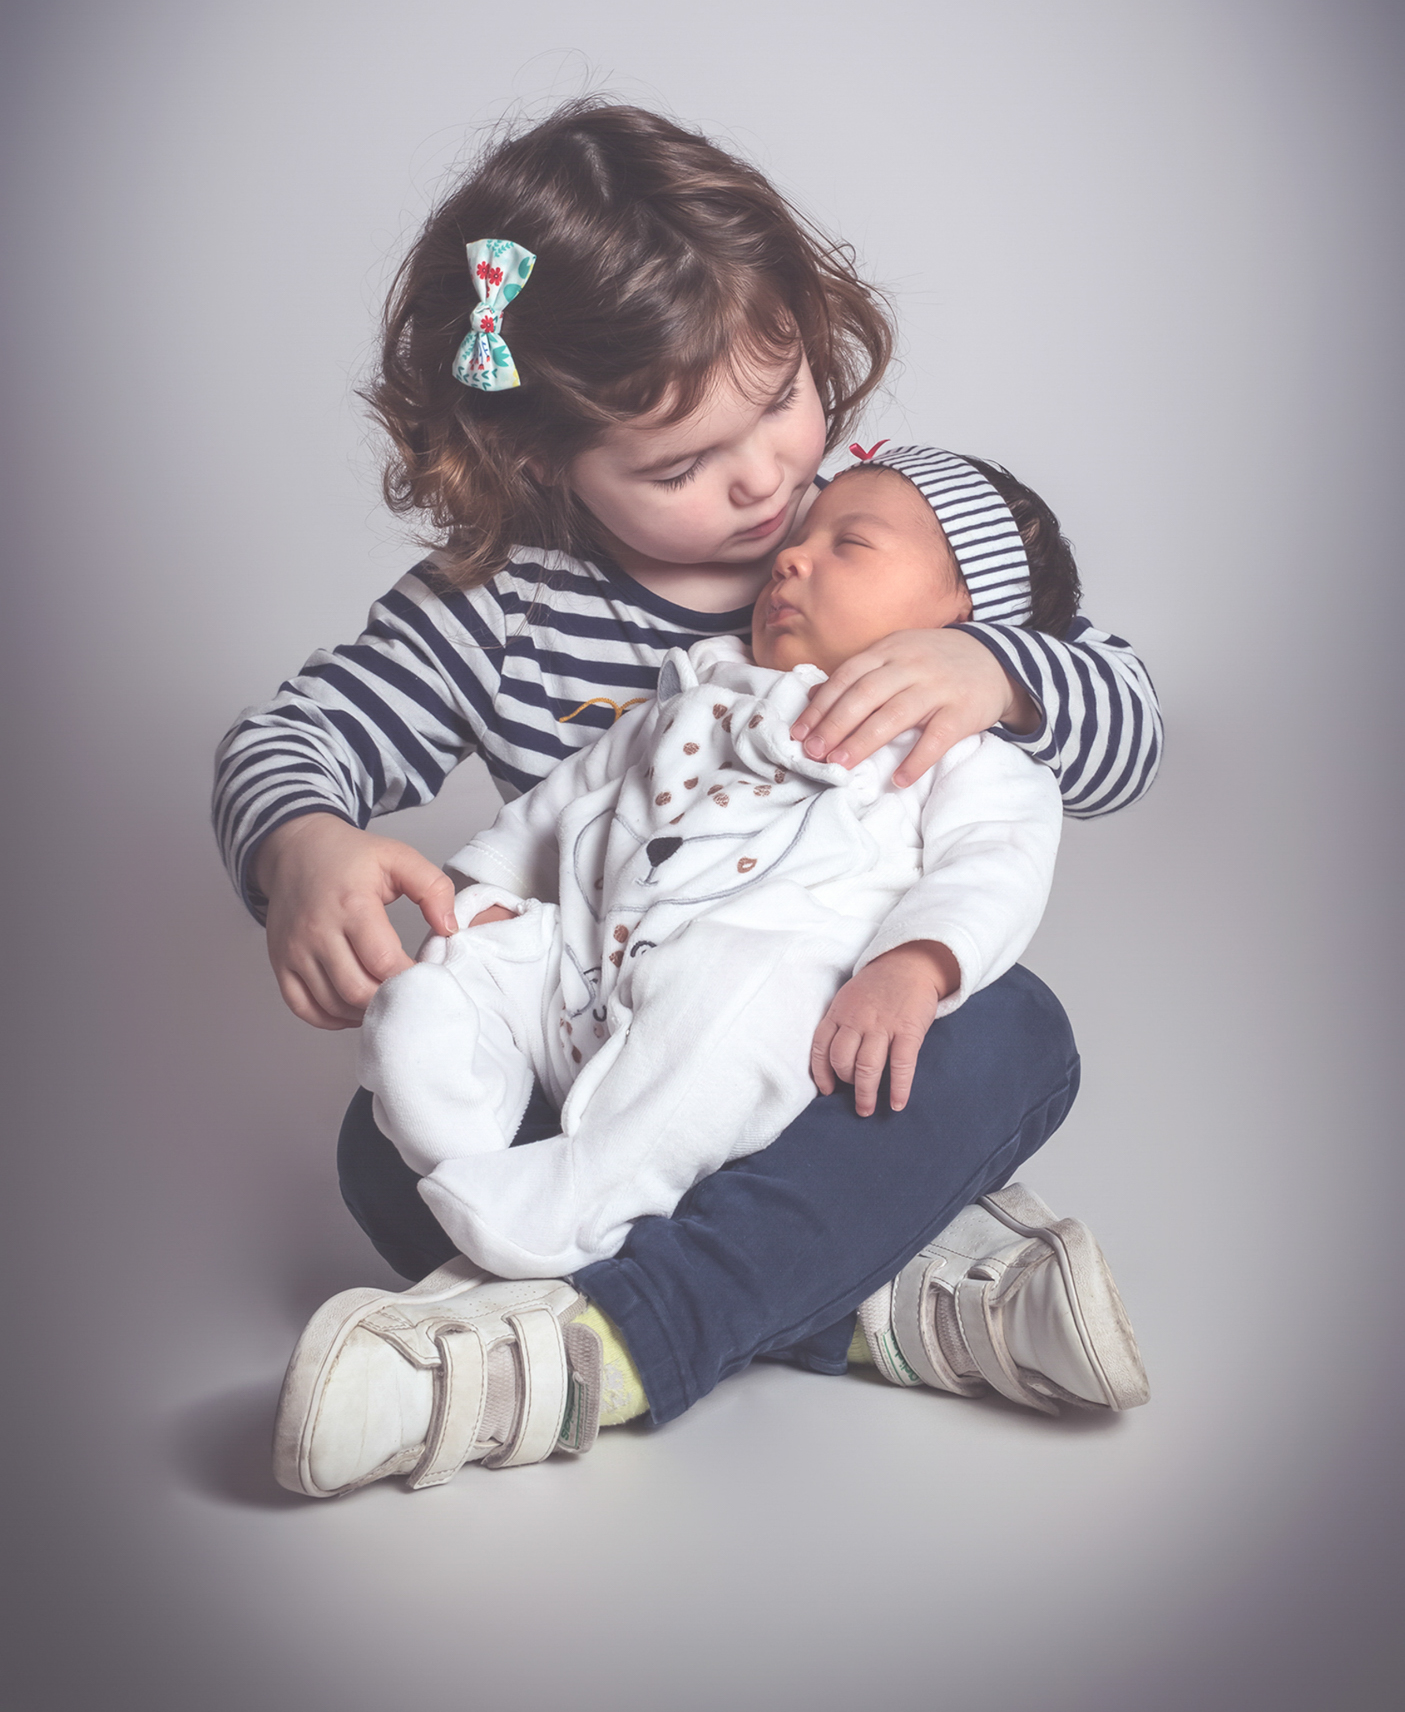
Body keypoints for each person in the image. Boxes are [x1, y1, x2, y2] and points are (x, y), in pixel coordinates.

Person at [212, 102, 1161, 1497]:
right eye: (681, 466)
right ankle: (878, 1304)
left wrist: (990, 669)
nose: (770, 477)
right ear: (540, 458)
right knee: (383, 1149)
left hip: (833, 1042)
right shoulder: (499, 611)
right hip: (600, 1053)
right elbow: (297, 733)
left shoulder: (877, 522)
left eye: (782, 398)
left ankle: (585, 1349)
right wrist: (302, 842)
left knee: (1014, 1031)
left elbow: (1125, 723)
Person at [360, 449, 1066, 1280]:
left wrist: (912, 963)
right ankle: (459, 1120)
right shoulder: (702, 685)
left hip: (747, 999)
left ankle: (586, 1195)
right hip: (589, 973)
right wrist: (486, 892)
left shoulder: (957, 751)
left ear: (965, 613)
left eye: (850, 545)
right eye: (801, 536)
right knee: (462, 964)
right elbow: (563, 801)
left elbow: (993, 863)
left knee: (737, 988)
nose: (791, 556)